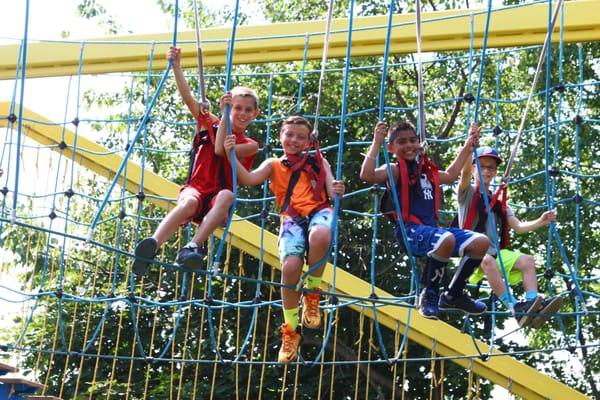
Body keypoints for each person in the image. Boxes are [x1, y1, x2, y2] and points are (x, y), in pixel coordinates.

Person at [223, 115, 344, 363]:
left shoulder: (319, 161)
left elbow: (331, 190)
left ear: (309, 141)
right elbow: (247, 179)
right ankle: (291, 328)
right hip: (291, 218)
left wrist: (338, 189)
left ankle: (313, 291)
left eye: (300, 137)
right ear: (281, 136)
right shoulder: (273, 164)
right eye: (289, 135)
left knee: (321, 234)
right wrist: (230, 154)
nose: (294, 140)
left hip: (319, 210)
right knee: (290, 268)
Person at [132, 46, 260, 276]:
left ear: (255, 114)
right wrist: (177, 67)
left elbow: (221, 150)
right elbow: (188, 99)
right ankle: (152, 244)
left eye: (248, 110)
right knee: (188, 203)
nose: (242, 113)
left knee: (228, 195)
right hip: (197, 189)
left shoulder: (250, 144)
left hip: (218, 199)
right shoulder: (210, 123)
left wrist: (223, 116)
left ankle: (192, 247)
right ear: (230, 109)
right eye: (237, 108)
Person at [360, 121, 490, 320]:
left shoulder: (427, 172)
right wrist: (377, 142)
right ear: (391, 148)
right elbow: (367, 175)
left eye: (413, 140)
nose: (409, 145)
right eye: (402, 142)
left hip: (433, 233)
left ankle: (453, 294)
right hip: (410, 231)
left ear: (420, 143)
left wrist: (468, 145)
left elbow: (452, 174)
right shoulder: (394, 170)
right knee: (445, 238)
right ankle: (430, 294)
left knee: (481, 242)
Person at [458, 143, 563, 328]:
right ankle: (515, 307)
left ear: (495, 172)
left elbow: (518, 227)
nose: (486, 171)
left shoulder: (499, 201)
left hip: (493, 253)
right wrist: (469, 147)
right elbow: (464, 174)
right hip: (471, 254)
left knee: (527, 260)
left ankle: (532, 303)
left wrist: (540, 221)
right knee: (487, 261)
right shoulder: (467, 194)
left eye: (491, 168)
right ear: (474, 168)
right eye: (481, 166)